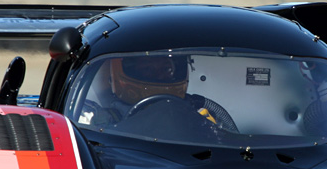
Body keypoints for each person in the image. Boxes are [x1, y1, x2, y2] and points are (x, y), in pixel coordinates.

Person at [76, 54, 238, 132]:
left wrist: (208, 127)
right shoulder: (100, 119)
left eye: (166, 69)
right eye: (147, 70)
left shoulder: (200, 115)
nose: (159, 76)